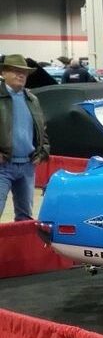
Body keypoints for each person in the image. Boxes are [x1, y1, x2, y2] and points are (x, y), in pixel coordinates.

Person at [0, 54, 50, 221]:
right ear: (3, 73)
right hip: (2, 167)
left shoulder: (32, 99)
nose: (21, 75)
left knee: (25, 218)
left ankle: (18, 248)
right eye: (15, 71)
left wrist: (42, 152)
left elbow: (42, 131)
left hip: (28, 166)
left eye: (24, 72)